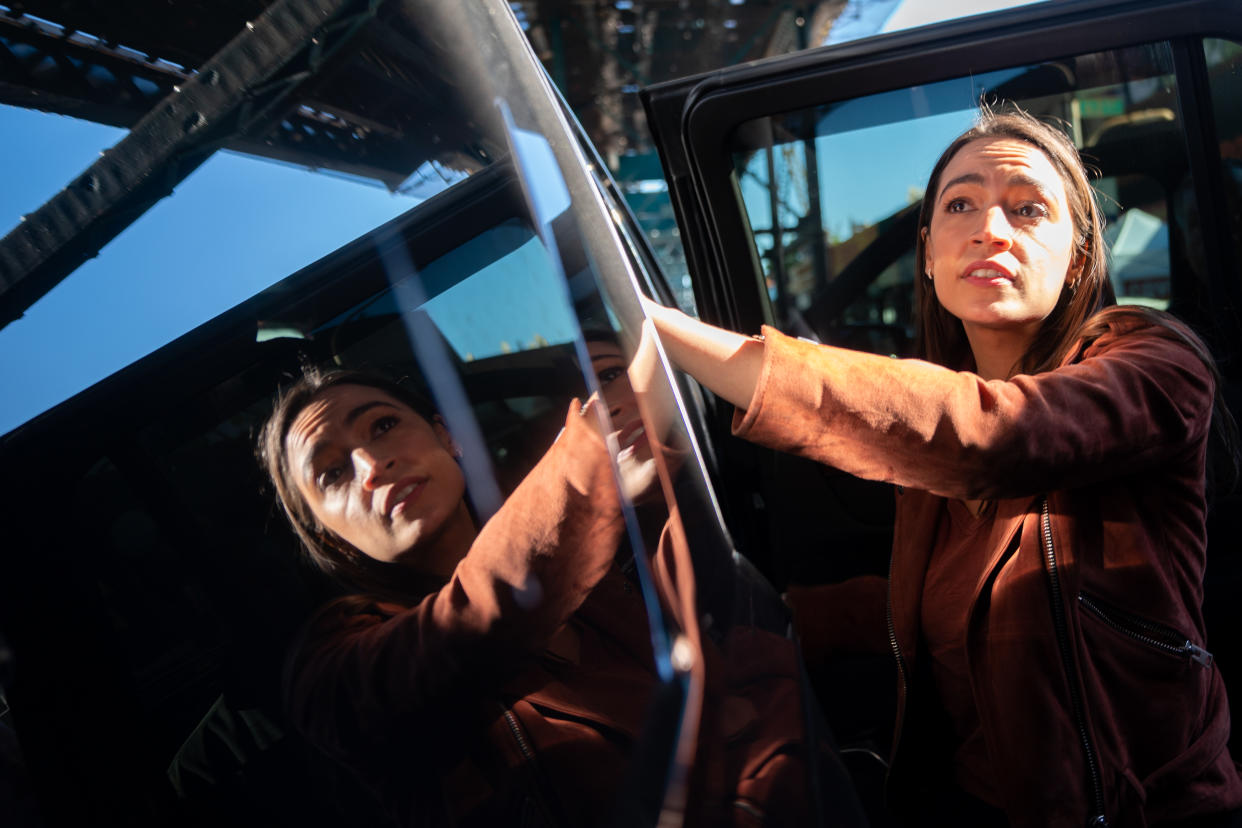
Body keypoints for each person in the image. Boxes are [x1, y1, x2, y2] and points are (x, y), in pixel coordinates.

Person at [639, 108, 1242, 826]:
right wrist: (757, 623)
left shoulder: (1155, 364)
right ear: (927, 253)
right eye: (961, 204)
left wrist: (655, 327)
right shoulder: (930, 426)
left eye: (1027, 208)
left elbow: (994, 434)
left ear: (1080, 255)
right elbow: (949, 612)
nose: (990, 228)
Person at [258, 365, 834, 827]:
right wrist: (586, 462)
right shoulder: (330, 672)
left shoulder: (597, 575)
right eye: (331, 474)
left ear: (446, 437)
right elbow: (468, 626)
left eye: (383, 426)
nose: (371, 464)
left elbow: (731, 665)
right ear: (323, 535)